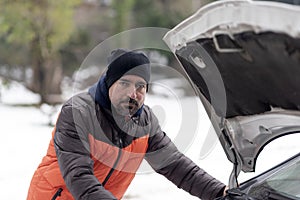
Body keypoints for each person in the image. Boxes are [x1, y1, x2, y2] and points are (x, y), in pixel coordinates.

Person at [27, 49, 227, 200]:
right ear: (108, 83)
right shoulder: (78, 112)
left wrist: (220, 193)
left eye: (141, 86)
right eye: (125, 83)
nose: (133, 93)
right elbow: (78, 176)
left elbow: (176, 166)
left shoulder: (145, 122)